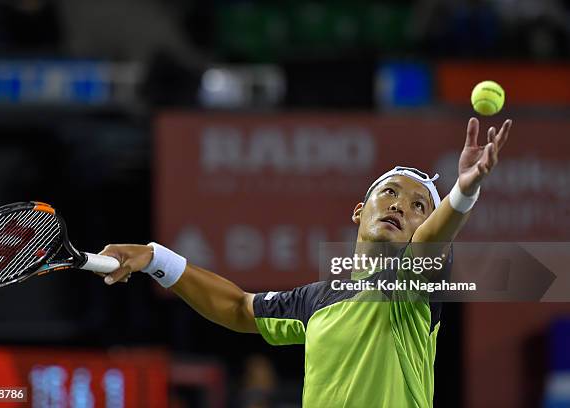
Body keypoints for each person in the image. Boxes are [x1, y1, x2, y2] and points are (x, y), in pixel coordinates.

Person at [99, 117, 512, 407]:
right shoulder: (315, 301)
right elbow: (239, 307)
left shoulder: (411, 287)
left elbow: (431, 241)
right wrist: (157, 257)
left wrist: (464, 191)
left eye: (419, 205)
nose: (400, 206)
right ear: (358, 210)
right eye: (389, 193)